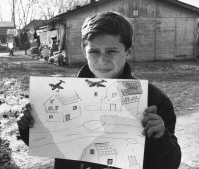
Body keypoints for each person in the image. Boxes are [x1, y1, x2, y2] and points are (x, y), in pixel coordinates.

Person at [17, 11, 181, 169]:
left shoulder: (154, 101)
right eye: (94, 52)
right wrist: (29, 127)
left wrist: (161, 138)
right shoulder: (64, 96)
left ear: (128, 51)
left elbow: (169, 163)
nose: (102, 60)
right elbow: (48, 144)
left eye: (111, 51)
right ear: (84, 51)